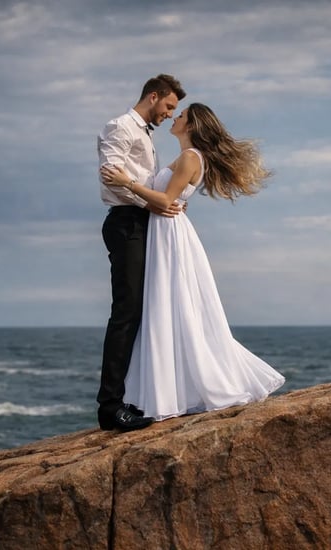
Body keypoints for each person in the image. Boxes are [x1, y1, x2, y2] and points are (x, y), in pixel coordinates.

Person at [100, 102, 285, 421]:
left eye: (181, 115)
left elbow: (165, 200)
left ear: (193, 125)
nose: (175, 117)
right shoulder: (187, 157)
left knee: (172, 307)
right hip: (166, 231)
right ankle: (171, 389)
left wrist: (125, 181)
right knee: (171, 309)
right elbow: (168, 200)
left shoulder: (189, 157)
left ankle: (181, 388)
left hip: (170, 236)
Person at [96, 74, 187, 431]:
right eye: (168, 106)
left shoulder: (144, 135)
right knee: (126, 313)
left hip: (143, 222)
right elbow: (109, 174)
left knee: (145, 312)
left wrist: (161, 203)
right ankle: (110, 406)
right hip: (126, 223)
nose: (168, 115)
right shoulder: (120, 127)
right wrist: (150, 204)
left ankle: (137, 397)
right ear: (153, 96)